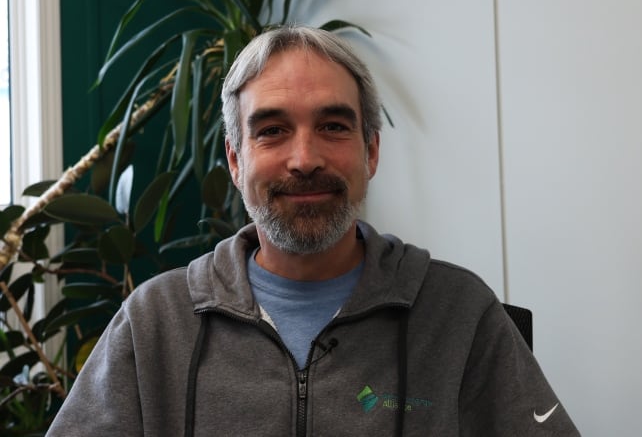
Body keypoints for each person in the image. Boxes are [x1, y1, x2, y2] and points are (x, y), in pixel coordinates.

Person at [48, 26, 579, 436]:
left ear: (370, 151)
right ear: (236, 162)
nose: (304, 159)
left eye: (332, 126)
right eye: (273, 131)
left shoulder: (459, 314)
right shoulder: (153, 324)